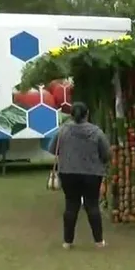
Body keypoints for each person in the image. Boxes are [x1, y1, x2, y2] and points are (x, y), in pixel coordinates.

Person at [55, 102, 110, 249]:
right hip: (92, 173)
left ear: (71, 115)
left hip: (67, 172)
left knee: (71, 205)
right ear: (87, 114)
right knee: (92, 205)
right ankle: (99, 241)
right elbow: (106, 154)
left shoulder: (63, 131)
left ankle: (67, 242)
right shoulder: (96, 132)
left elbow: (53, 148)